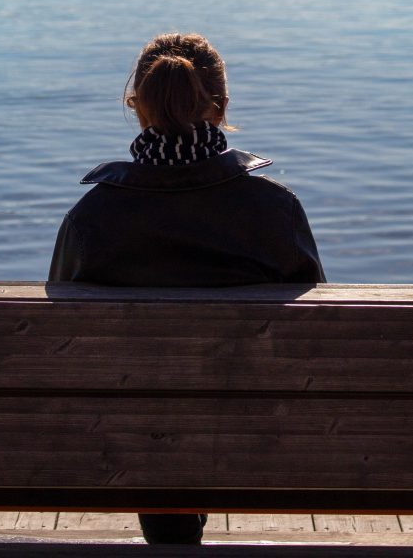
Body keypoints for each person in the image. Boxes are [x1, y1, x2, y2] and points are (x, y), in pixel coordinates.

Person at [48, 32, 325, 545]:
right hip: (254, 428)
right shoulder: (274, 211)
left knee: (157, 421)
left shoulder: (92, 219)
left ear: (138, 108)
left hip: (128, 436)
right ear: (220, 108)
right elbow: (314, 340)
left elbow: (61, 346)